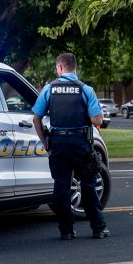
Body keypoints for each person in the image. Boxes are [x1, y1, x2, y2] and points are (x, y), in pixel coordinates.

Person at [32, 53, 109, 240]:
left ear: (59, 68)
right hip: (80, 143)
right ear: (75, 67)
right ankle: (98, 228)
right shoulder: (86, 90)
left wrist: (46, 144)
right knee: (88, 186)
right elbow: (97, 119)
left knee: (61, 187)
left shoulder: (49, 89)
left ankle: (66, 230)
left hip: (57, 144)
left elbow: (36, 118)